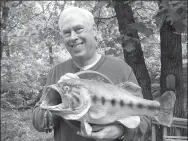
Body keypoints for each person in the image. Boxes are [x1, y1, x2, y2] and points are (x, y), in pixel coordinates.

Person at [32, 7, 151, 141]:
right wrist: (58, 100)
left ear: (94, 30)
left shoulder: (121, 69)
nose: (73, 37)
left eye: (78, 29)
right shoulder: (57, 72)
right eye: (66, 32)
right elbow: (38, 122)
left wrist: (122, 131)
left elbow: (145, 119)